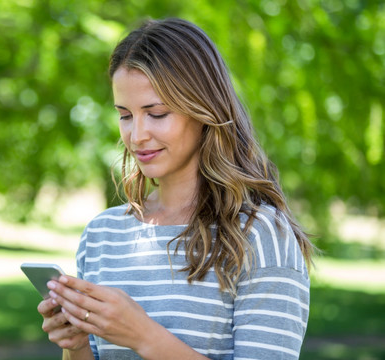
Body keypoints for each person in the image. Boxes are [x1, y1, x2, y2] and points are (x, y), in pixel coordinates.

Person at [37, 17, 315, 360]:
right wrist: (77, 344)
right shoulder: (102, 235)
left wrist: (144, 336)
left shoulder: (260, 235)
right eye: (125, 115)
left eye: (156, 113)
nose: (136, 136)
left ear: (203, 110)